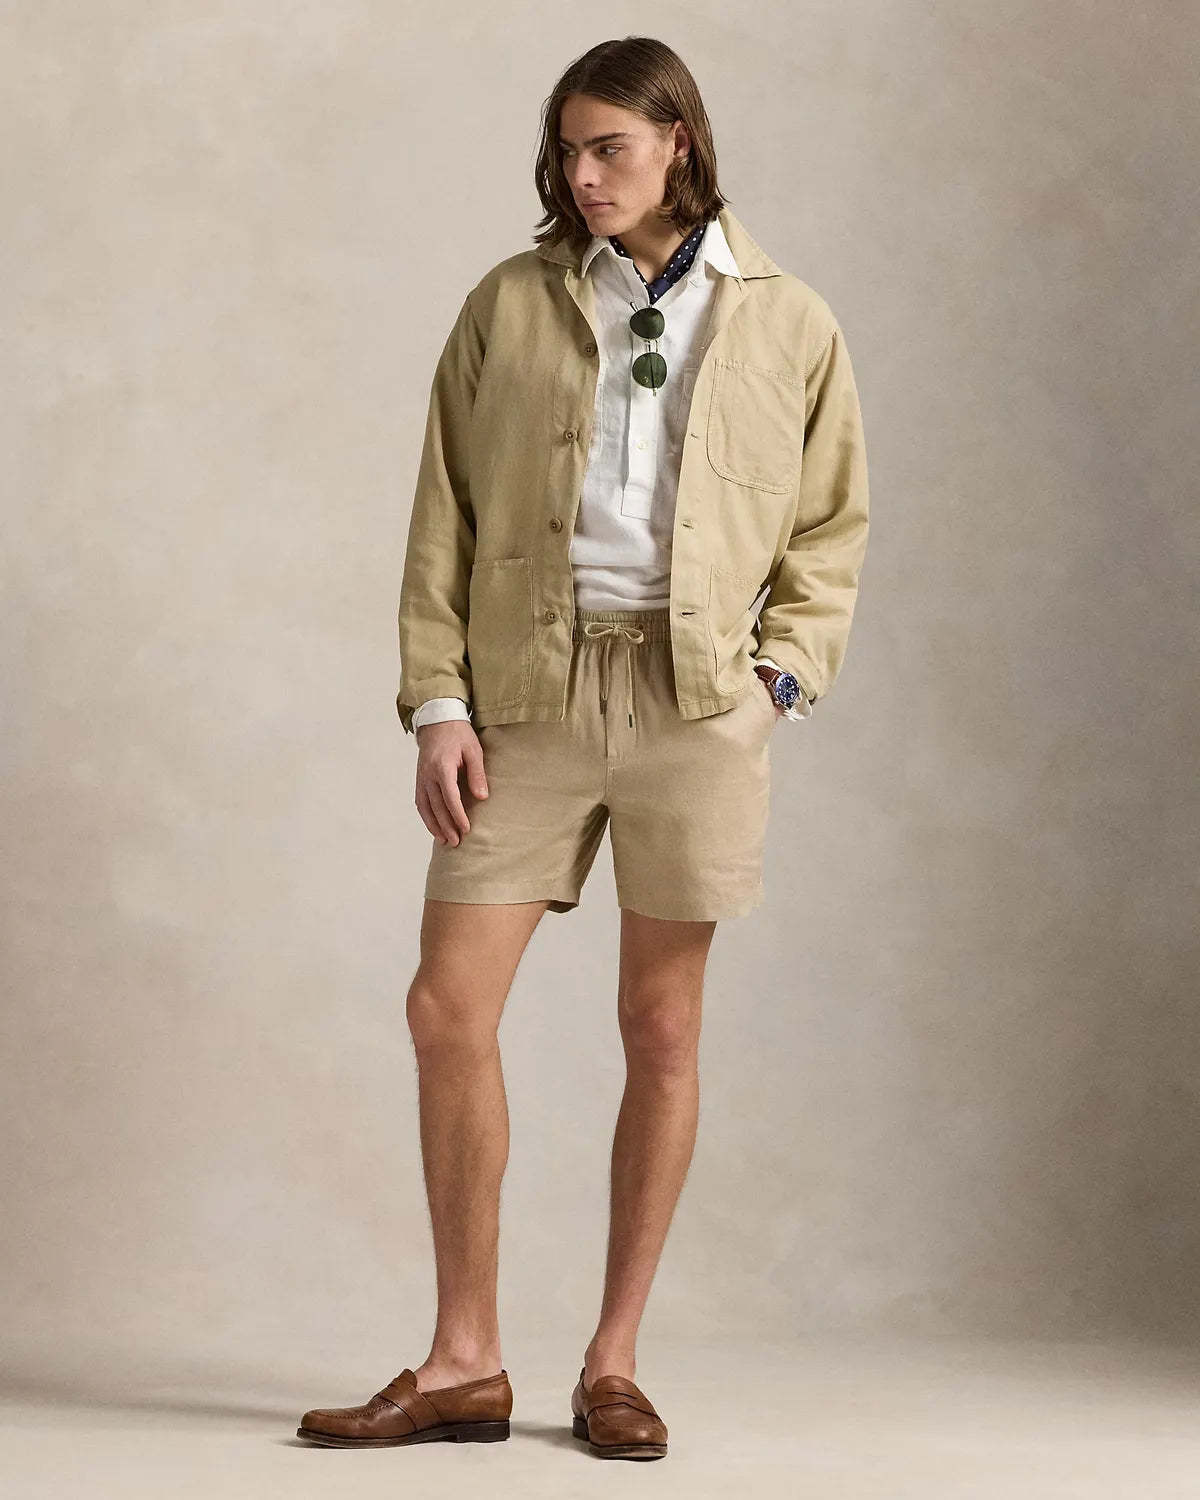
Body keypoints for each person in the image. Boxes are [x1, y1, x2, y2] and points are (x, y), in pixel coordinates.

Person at [297, 34, 869, 1462]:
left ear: (680, 142)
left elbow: (830, 527)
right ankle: (464, 1361)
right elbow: (443, 510)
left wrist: (777, 685)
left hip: (697, 703)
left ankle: (613, 1365)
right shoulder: (510, 303)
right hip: (528, 693)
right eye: (567, 149)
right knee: (448, 1006)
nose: (584, 174)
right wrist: (439, 702)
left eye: (610, 146)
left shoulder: (789, 319)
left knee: (661, 1026)